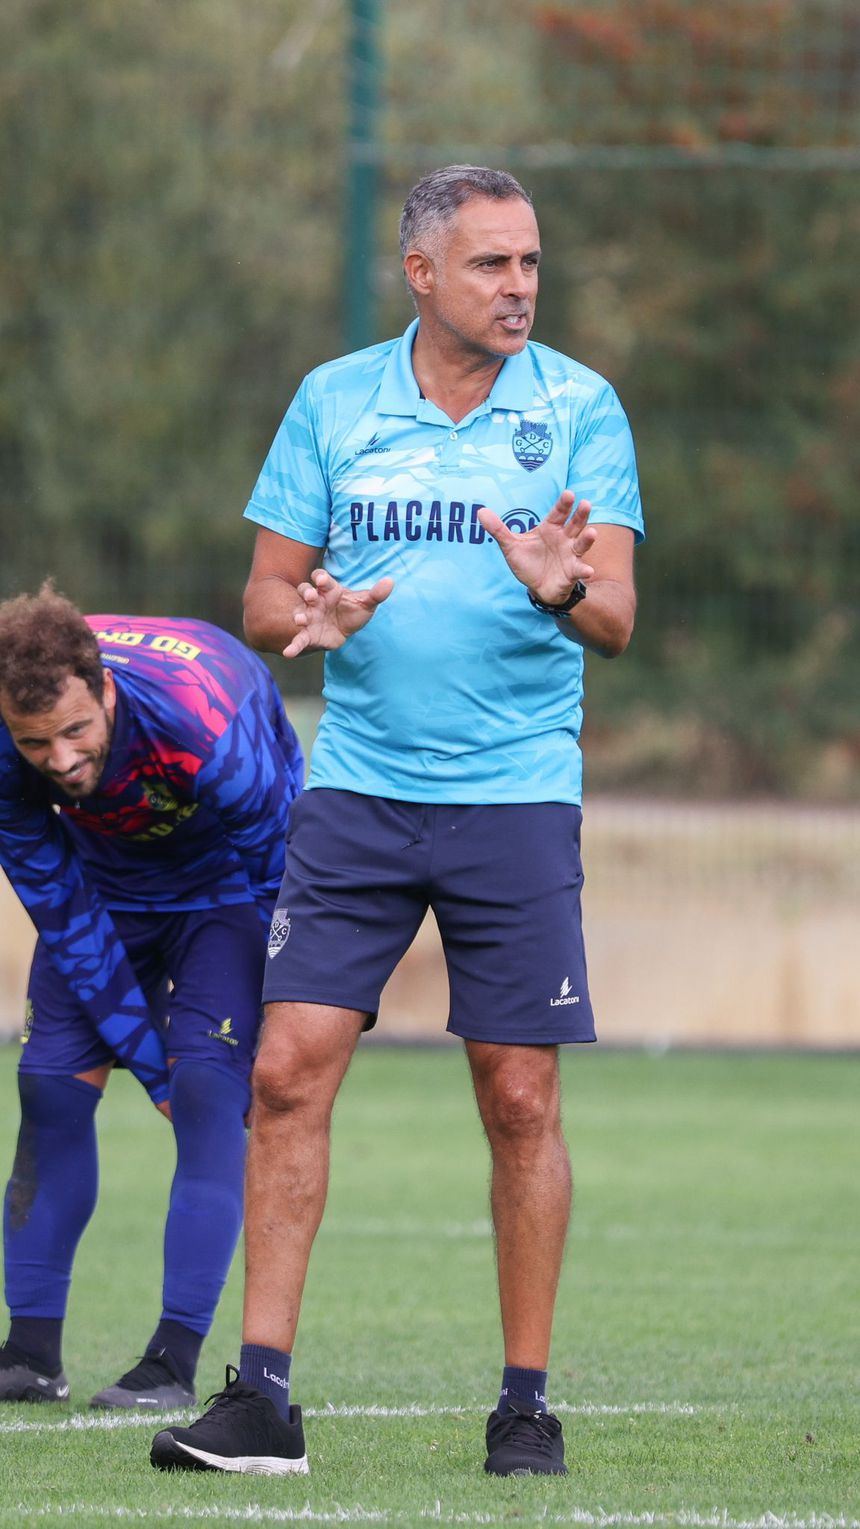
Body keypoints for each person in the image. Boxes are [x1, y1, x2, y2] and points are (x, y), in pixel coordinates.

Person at [151, 163, 643, 1478]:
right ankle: (260, 1399)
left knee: (518, 1094)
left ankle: (524, 1405)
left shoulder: (581, 408)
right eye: (490, 264)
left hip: (515, 797)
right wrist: (306, 617)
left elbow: (614, 617)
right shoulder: (333, 400)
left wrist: (558, 586)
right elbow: (264, 595)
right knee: (284, 1071)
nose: (519, 287)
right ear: (420, 273)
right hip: (358, 791)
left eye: (529, 262)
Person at [0, 584, 303, 1408]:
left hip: (230, 888)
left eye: (75, 730)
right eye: (35, 742)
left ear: (105, 689)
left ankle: (171, 1362)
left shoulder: (207, 727)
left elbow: (282, 883)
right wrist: (145, 1059)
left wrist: (270, 1029)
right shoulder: (5, 741)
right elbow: (60, 907)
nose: (60, 760)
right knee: (47, 1088)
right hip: (104, 887)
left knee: (207, 1088)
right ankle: (29, 1355)